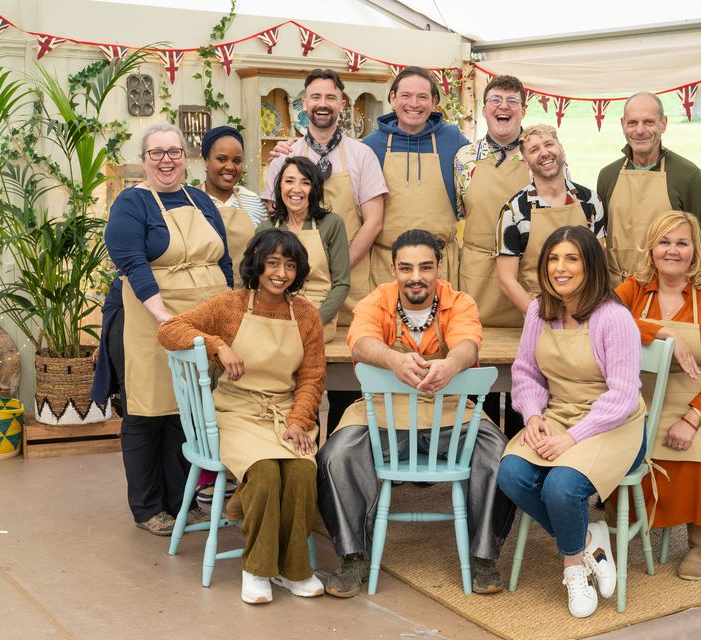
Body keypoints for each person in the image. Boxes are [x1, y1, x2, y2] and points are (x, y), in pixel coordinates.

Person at [317, 229, 515, 598]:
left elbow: (469, 343)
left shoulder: (459, 302)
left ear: (439, 267)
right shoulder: (378, 300)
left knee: (501, 457)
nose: (416, 277)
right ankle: (353, 554)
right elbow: (359, 339)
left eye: (425, 267)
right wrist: (393, 360)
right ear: (393, 269)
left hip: (450, 414)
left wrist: (452, 365)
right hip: (384, 414)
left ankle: (484, 555)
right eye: (406, 268)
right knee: (335, 457)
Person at [158, 228, 325, 604]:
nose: (281, 273)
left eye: (289, 265)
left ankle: (294, 569)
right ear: (257, 264)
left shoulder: (306, 315)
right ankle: (258, 569)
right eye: (272, 263)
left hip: (283, 412)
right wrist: (216, 344)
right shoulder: (230, 306)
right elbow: (170, 329)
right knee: (265, 471)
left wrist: (299, 419)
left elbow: (313, 375)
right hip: (235, 410)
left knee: (301, 470)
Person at [90, 123, 233, 536]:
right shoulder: (131, 205)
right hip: (148, 318)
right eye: (157, 153)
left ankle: (180, 503)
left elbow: (223, 264)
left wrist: (227, 315)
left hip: (203, 321)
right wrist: (166, 318)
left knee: (185, 413)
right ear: (145, 159)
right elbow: (133, 265)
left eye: (173, 152)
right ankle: (148, 507)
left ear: (185, 158)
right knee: (146, 413)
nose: (166, 160)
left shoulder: (201, 200)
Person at [497, 225, 646, 619]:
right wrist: (531, 416)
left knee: (562, 487)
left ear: (590, 265)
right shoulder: (538, 311)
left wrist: (571, 439)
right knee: (511, 474)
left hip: (614, 423)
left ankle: (574, 569)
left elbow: (622, 397)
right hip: (559, 413)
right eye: (553, 259)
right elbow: (526, 372)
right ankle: (588, 539)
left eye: (571, 258)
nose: (560, 268)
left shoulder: (613, 318)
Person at [613, 210, 701, 581]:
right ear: (651, 248)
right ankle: (622, 524)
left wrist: (693, 417)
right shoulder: (633, 289)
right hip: (649, 389)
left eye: (682, 243)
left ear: (695, 250)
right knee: (622, 443)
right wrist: (662, 333)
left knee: (698, 449)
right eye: (664, 242)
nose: (673, 251)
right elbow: (602, 317)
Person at [263, 68, 387, 326]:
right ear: (304, 104)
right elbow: (274, 219)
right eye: (315, 97)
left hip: (351, 282)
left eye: (330, 98)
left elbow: (374, 222)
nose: (322, 104)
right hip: (296, 284)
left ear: (342, 104)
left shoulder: (362, 155)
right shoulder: (284, 157)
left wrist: (337, 269)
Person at [454, 74, 530, 437]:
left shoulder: (541, 153)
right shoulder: (465, 158)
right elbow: (458, 211)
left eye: (512, 101)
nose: (504, 107)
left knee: (523, 377)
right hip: (477, 273)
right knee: (474, 372)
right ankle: (476, 457)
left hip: (525, 275)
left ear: (523, 110)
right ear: (484, 109)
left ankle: (518, 458)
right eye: (496, 100)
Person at [362, 66, 470, 288]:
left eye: (422, 97)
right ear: (393, 98)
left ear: (433, 101)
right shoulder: (371, 146)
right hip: (387, 266)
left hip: (439, 267)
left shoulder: (453, 139)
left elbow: (486, 164)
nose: (414, 104)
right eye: (405, 95)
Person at [597, 92, 701, 285]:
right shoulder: (608, 176)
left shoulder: (688, 176)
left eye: (649, 122)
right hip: (616, 290)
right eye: (632, 122)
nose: (640, 130)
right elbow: (601, 238)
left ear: (663, 124)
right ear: (622, 124)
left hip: (668, 289)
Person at [496, 125, 604, 315]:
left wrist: (592, 313)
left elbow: (598, 266)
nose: (544, 153)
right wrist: (537, 318)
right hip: (539, 309)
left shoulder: (591, 201)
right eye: (534, 150)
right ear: (526, 163)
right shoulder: (513, 212)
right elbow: (507, 280)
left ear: (561, 149)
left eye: (549, 144)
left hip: (586, 310)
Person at [259, 156, 349, 342]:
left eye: (305, 182)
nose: (296, 189)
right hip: (275, 317)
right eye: (289, 181)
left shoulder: (332, 224)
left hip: (319, 316)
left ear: (314, 188)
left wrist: (316, 320)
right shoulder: (265, 228)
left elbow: (342, 283)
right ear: (280, 187)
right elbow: (255, 280)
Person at [201, 125, 266, 287]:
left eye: (236, 161)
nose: (230, 167)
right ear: (206, 161)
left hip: (247, 295)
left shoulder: (255, 202)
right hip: (204, 295)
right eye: (222, 159)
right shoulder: (191, 200)